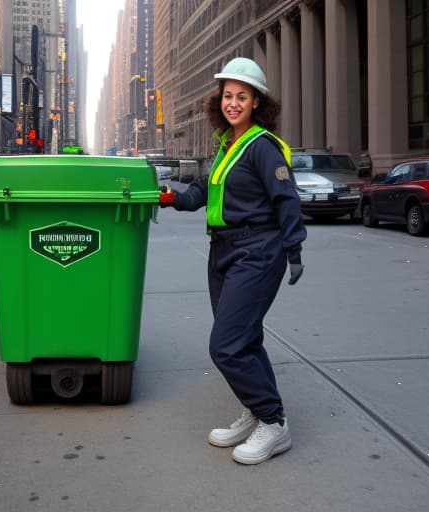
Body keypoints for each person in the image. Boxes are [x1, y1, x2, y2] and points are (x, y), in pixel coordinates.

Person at [160, 57, 307, 464]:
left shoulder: (262, 146)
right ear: (219, 101)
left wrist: (293, 249)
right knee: (245, 339)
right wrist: (169, 195)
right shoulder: (226, 146)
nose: (233, 103)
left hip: (258, 250)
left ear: (257, 102)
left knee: (226, 346)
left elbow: (286, 199)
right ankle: (256, 411)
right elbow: (201, 195)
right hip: (223, 250)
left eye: (242, 96)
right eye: (228, 96)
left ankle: (274, 424)